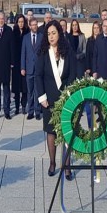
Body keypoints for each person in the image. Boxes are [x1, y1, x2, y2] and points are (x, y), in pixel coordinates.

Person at [35, 20, 77, 179]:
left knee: (67, 132)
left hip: (66, 98)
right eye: (48, 34)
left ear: (59, 33)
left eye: (54, 33)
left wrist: (70, 94)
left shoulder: (68, 52)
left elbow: (73, 74)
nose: (51, 36)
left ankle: (66, 165)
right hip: (49, 99)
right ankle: (52, 162)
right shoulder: (43, 52)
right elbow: (38, 76)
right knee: (51, 131)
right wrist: (42, 97)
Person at [20, 17, 42, 120]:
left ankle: (37, 111)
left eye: (36, 24)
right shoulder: (25, 38)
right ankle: (30, 111)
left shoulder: (42, 37)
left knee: (37, 91)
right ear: (29, 26)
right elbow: (23, 54)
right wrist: (22, 68)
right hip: (28, 69)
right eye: (33, 25)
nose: (35, 26)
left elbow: (43, 53)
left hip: (38, 69)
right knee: (30, 91)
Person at [11, 14, 28, 115]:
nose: (21, 24)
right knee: (17, 87)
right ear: (17, 22)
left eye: (22, 22)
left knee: (24, 87)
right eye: (19, 22)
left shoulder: (27, 32)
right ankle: (17, 107)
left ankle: (24, 106)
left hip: (25, 63)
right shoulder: (14, 33)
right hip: (16, 64)